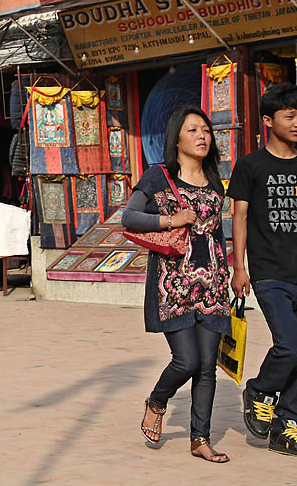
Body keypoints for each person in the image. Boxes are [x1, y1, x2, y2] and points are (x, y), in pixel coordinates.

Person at [229, 82, 297, 458]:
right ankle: (259, 390)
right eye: (289, 116)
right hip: (269, 273)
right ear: (268, 120)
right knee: (289, 346)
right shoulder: (251, 165)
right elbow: (239, 217)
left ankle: (286, 426)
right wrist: (238, 267)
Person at [121, 107, 231, 463]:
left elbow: (217, 234)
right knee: (186, 361)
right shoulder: (159, 176)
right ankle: (157, 400)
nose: (202, 136)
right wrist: (169, 219)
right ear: (177, 138)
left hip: (212, 284)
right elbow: (129, 216)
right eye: (193, 130)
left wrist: (230, 274)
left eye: (206, 130)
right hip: (174, 286)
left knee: (207, 367)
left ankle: (201, 439)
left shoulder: (215, 179)